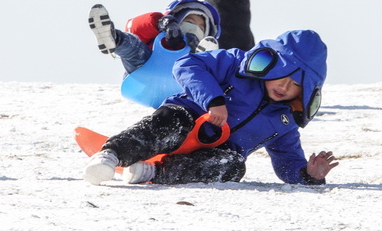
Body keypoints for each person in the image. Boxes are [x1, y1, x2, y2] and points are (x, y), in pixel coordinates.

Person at [83, 30, 339, 186]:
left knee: (233, 166)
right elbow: (188, 65)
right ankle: (112, 155)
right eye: (282, 75)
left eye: (295, 85)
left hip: (217, 150)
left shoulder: (285, 122)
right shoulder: (235, 63)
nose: (284, 86)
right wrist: (214, 101)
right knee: (170, 122)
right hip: (189, 117)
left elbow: (287, 162)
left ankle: (153, 172)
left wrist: (308, 174)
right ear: (270, 63)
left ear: (305, 92)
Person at [88, 0, 221, 75]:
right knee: (135, 47)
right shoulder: (159, 34)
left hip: (184, 83)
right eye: (189, 21)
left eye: (202, 27)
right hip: (144, 72)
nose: (195, 28)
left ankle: (204, 60)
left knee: (203, 67)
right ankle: (113, 39)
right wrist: (160, 23)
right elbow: (134, 28)